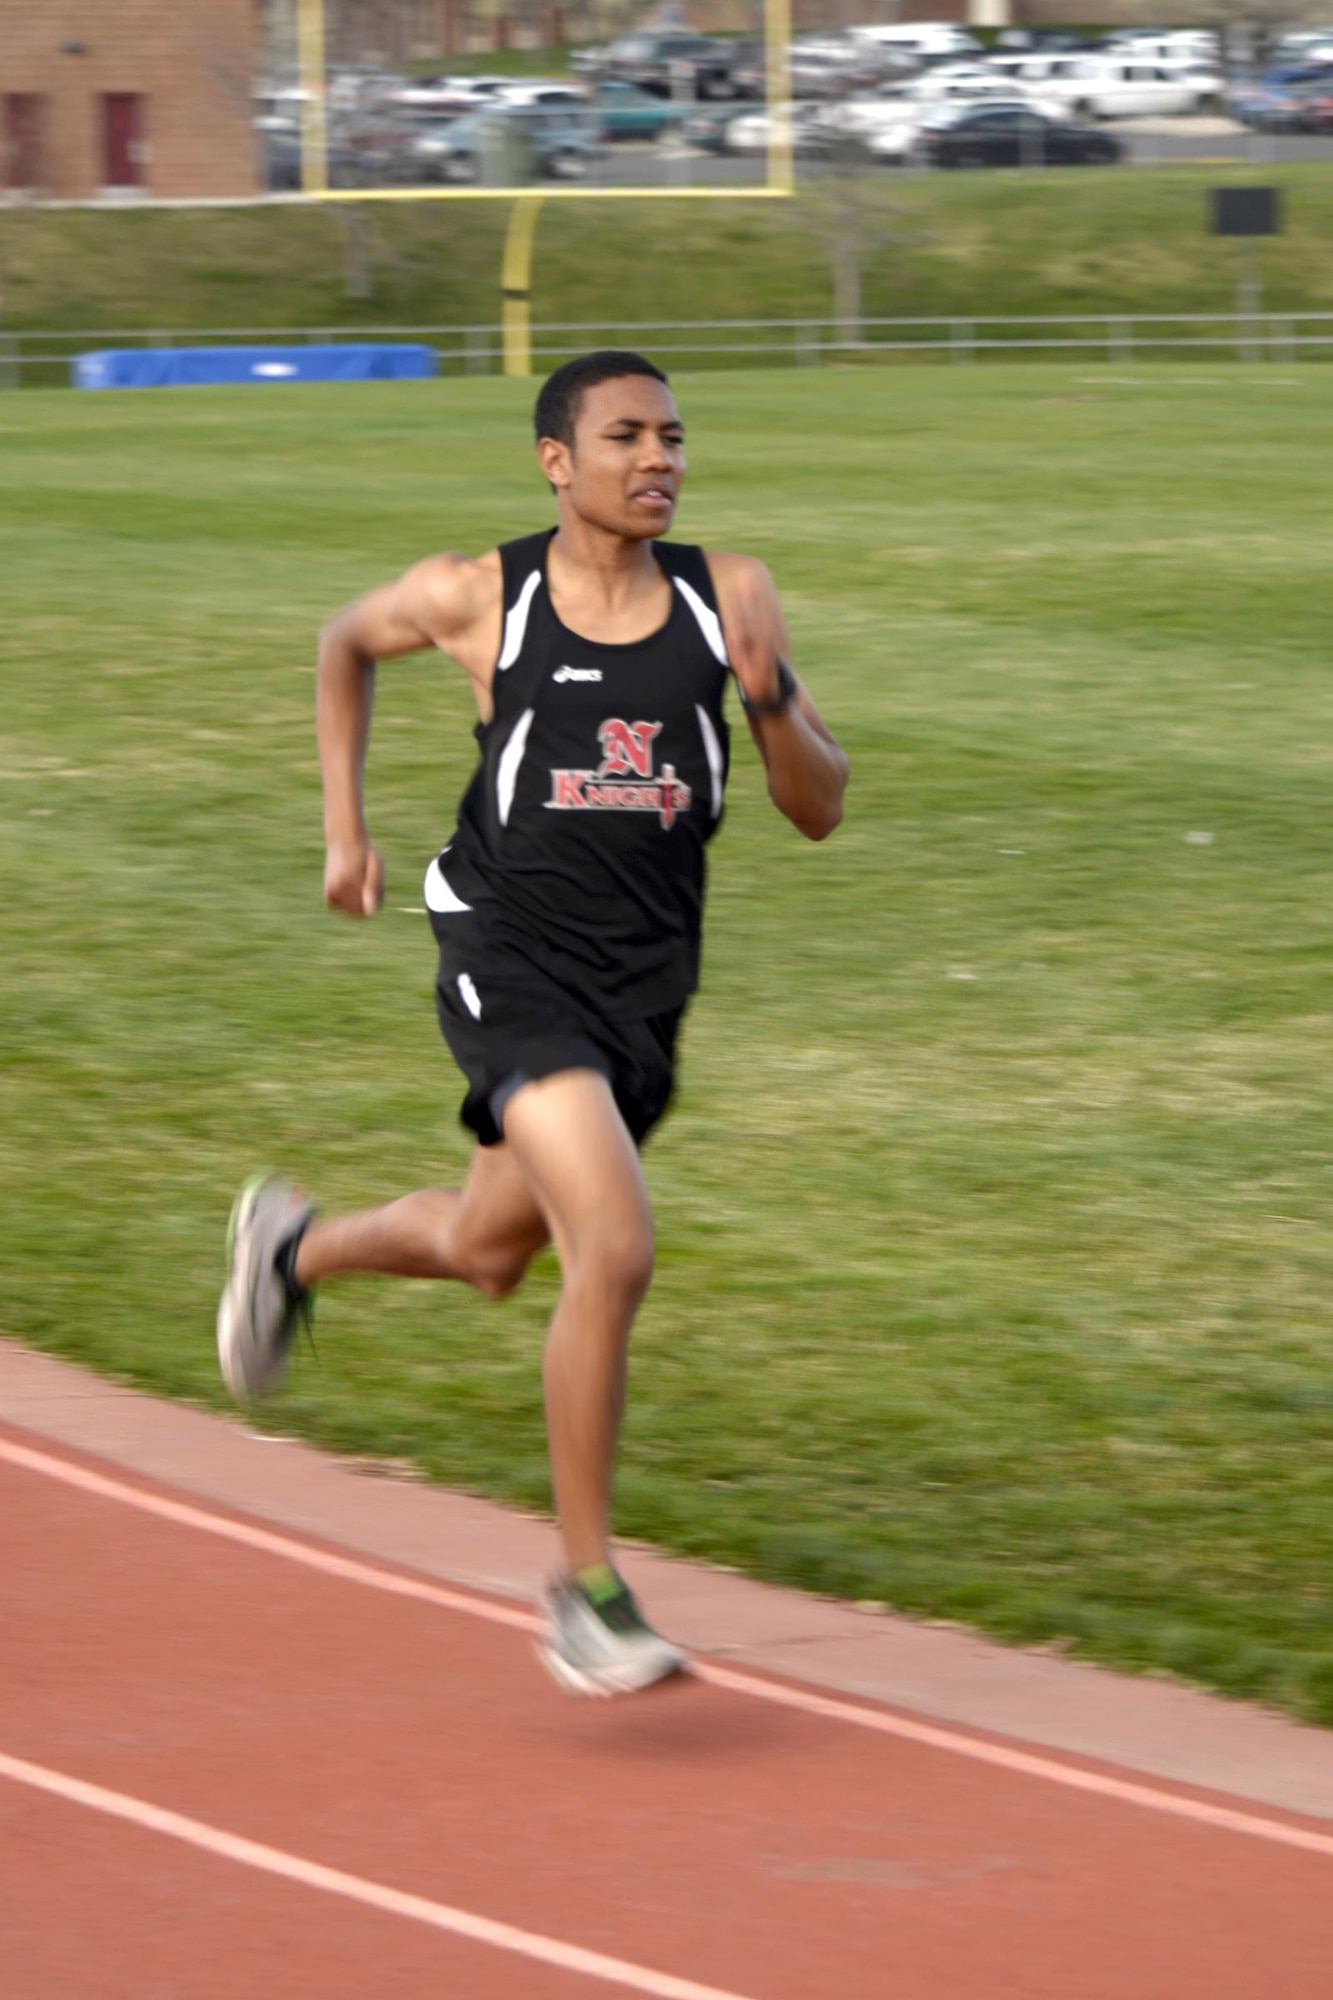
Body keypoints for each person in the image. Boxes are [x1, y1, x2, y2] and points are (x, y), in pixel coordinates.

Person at [217, 350, 849, 1696]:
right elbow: (342, 642)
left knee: (489, 1250)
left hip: (643, 989)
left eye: (673, 435)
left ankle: (290, 1254)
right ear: (556, 461)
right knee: (608, 1249)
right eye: (624, 436)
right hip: (505, 955)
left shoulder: (727, 594)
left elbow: (817, 806)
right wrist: (344, 828)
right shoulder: (481, 594)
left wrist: (771, 695)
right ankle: (585, 1588)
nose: (658, 458)